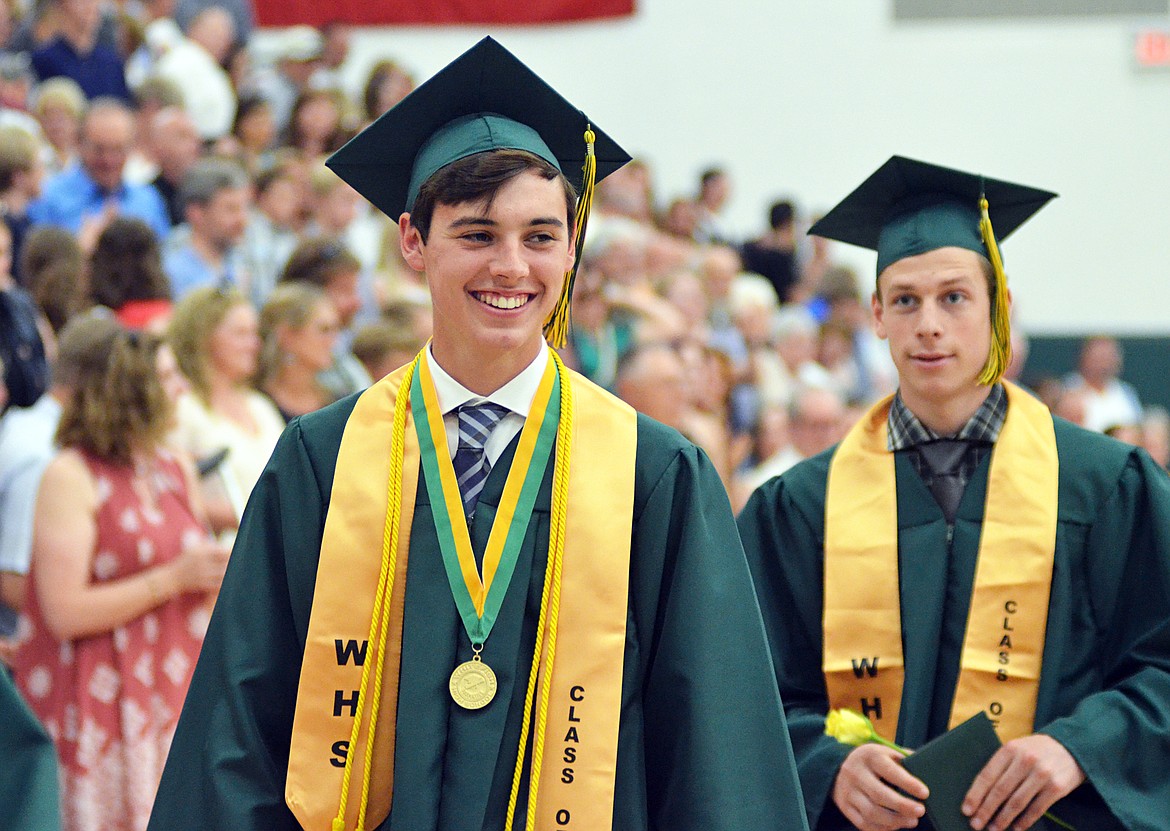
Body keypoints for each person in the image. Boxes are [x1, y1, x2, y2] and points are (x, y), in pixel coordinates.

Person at [148, 36, 808, 831]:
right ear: (413, 242)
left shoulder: (652, 474)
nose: (510, 265)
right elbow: (239, 729)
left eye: (539, 237)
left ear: (571, 251)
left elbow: (715, 756)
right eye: (476, 234)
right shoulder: (323, 461)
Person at [737, 155, 1170, 831]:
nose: (929, 324)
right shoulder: (800, 505)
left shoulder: (1106, 486)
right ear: (877, 314)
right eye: (905, 299)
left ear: (999, 306)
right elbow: (746, 693)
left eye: (954, 297)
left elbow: (1161, 667)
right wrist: (828, 763)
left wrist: (1079, 746)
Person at [11, 312, 229, 831]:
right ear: (132, 391)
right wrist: (174, 578)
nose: (181, 389)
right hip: (94, 696)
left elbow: (194, 574)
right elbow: (63, 611)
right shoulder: (69, 474)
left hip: (171, 689)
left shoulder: (174, 466)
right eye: (168, 377)